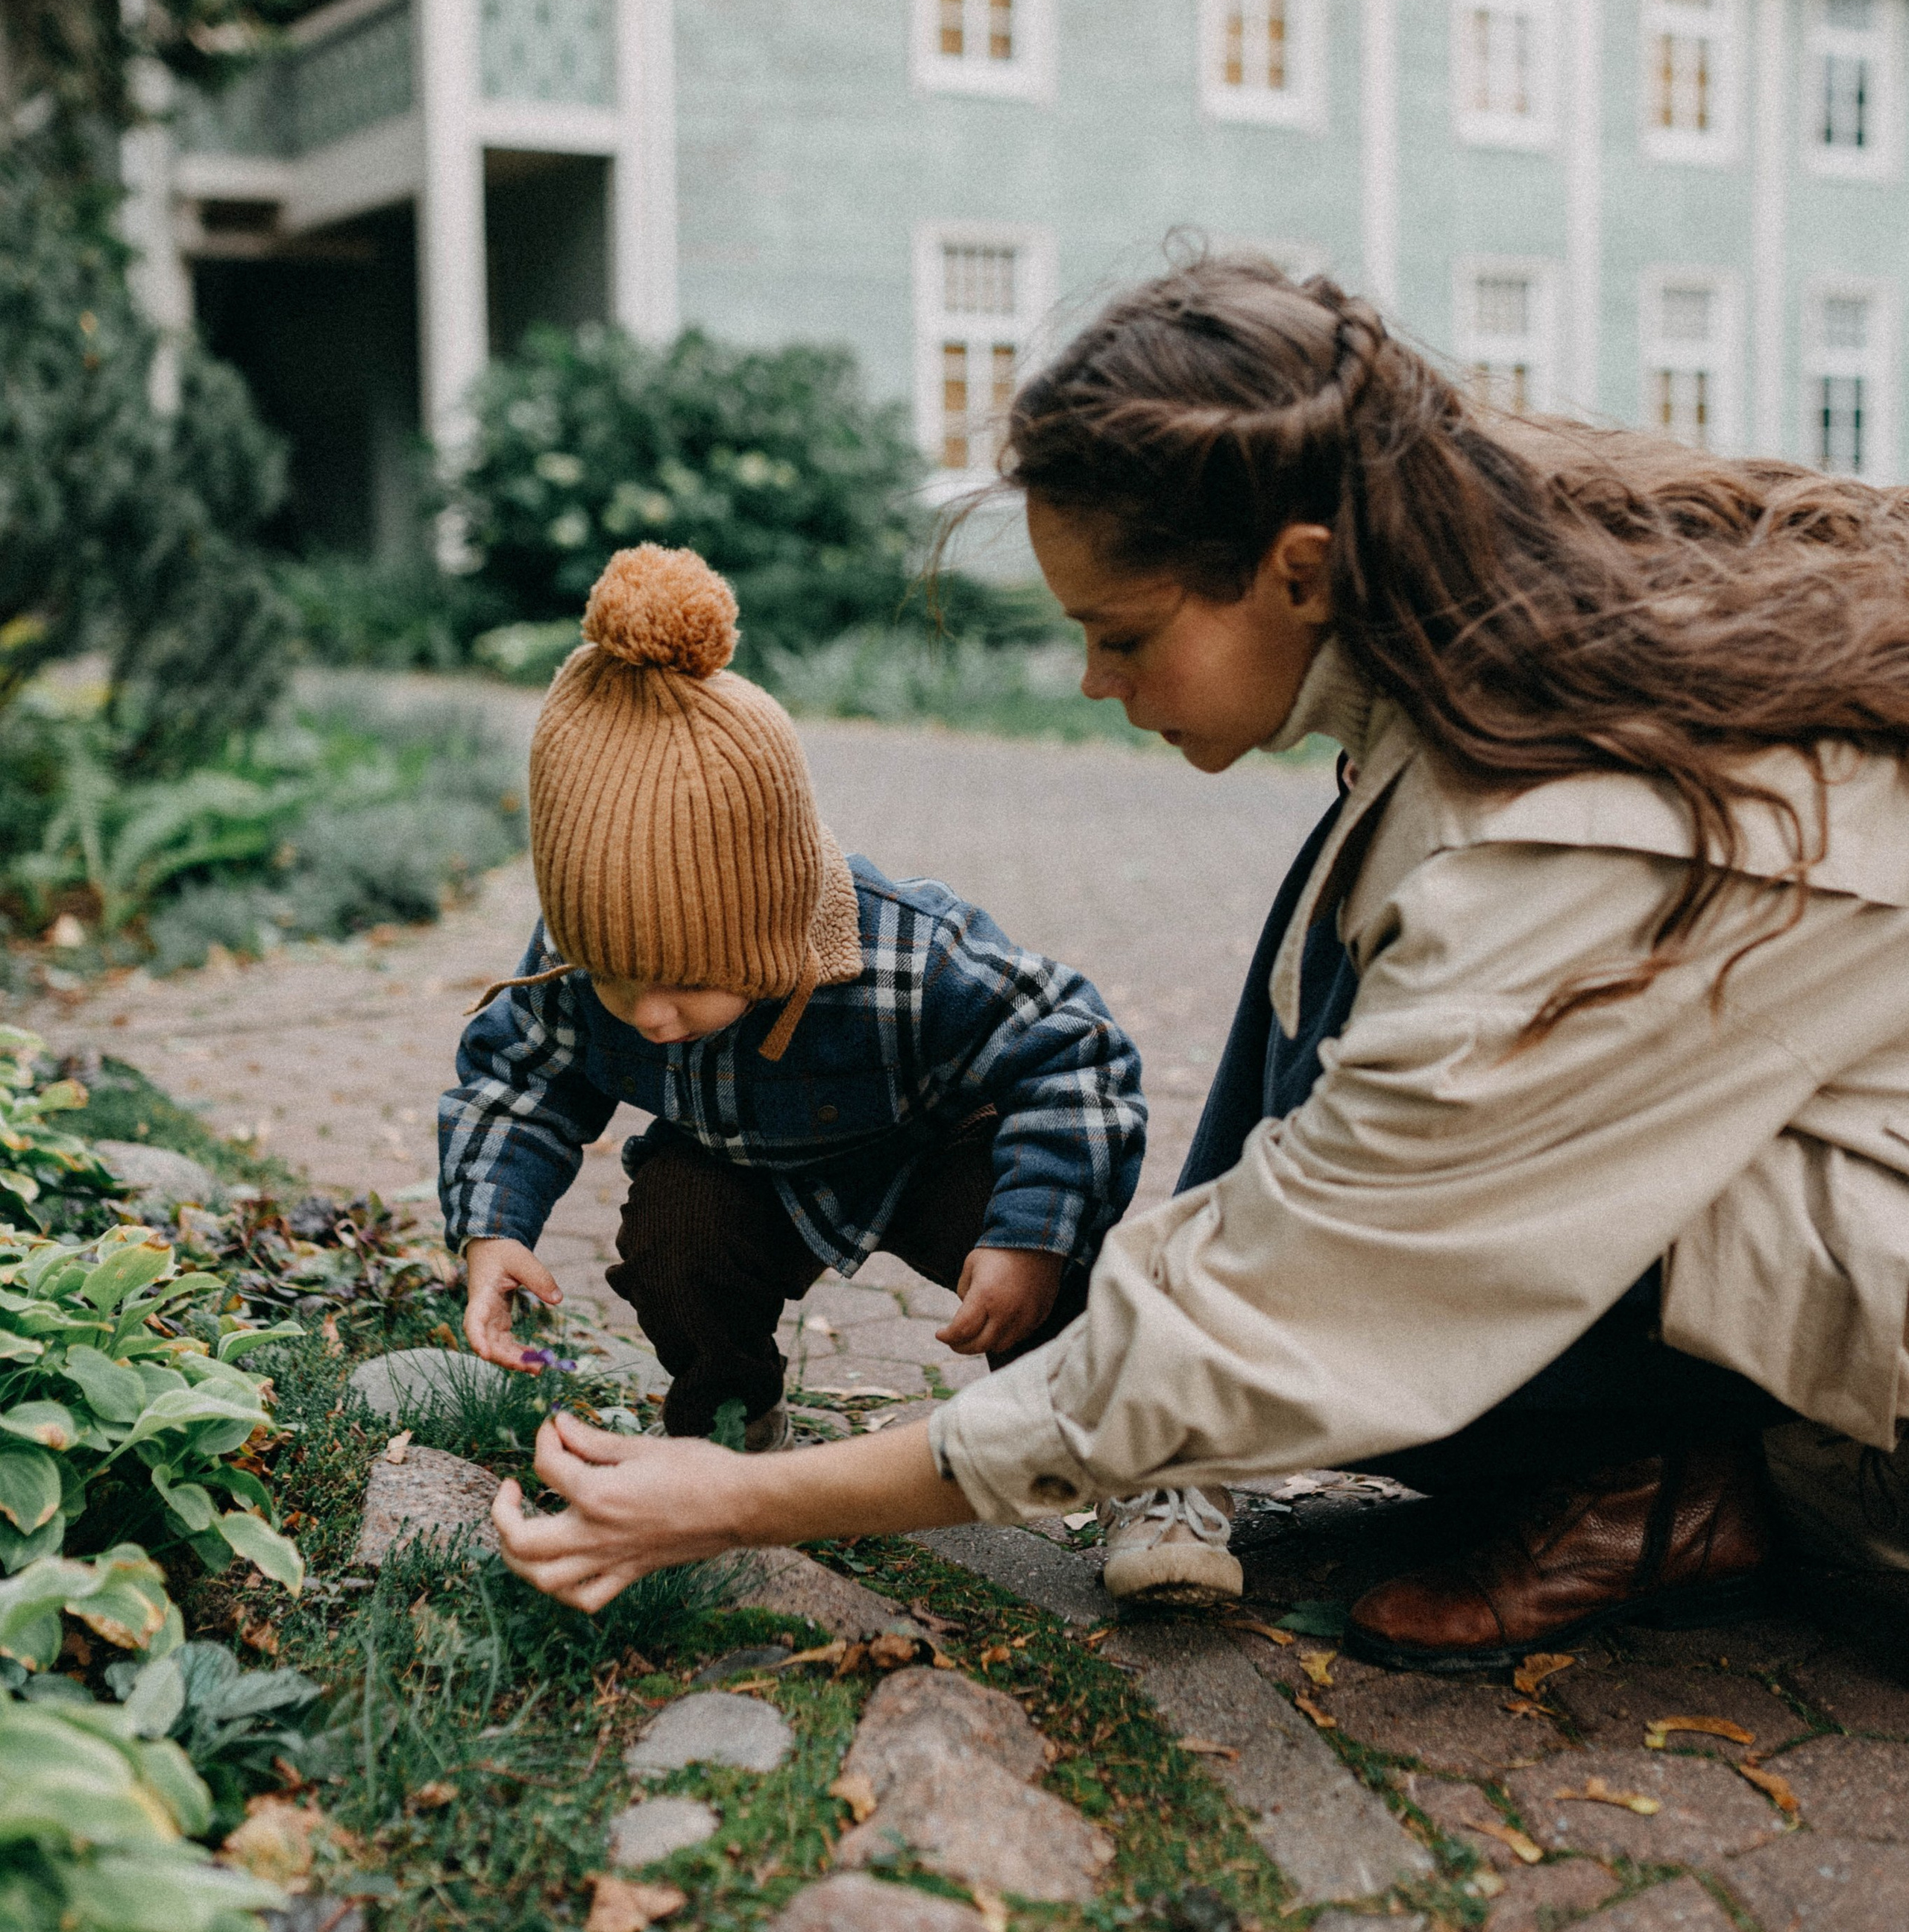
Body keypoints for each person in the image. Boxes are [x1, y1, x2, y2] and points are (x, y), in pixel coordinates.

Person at [490, 259, 1909, 1666]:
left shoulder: (1547, 855)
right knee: (1348, 926)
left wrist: (747, 1503)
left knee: (1332, 1314)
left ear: (1296, 571)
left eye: (1125, 634)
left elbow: (1284, 1314)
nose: (1097, 683)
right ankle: (1639, 1462)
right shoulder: (1468, 637)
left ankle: (1671, 1487)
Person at [442, 542, 1195, 1579]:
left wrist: (1034, 1236)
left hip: (931, 1150)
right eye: (618, 979)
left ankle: (1149, 1458)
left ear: (767, 917)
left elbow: (1077, 1050)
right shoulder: (591, 963)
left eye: (684, 980)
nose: (649, 1015)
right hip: (743, 1167)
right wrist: (493, 1229)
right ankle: (731, 1425)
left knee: (1050, 1275)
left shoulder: (910, 956)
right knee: (674, 1237)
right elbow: (515, 1076)